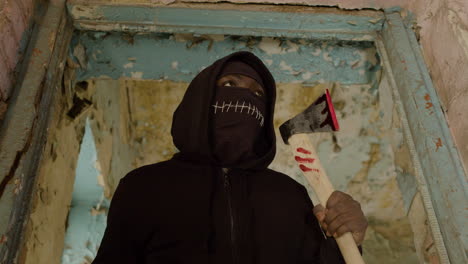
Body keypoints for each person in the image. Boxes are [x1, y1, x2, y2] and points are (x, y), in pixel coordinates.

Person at [92, 51, 368, 264]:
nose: (246, 96)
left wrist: (347, 242)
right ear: (201, 100)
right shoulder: (144, 186)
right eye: (230, 83)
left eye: (258, 93)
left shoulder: (289, 194)